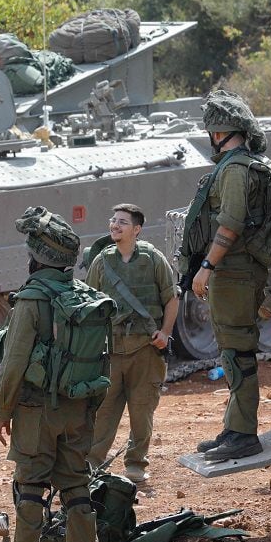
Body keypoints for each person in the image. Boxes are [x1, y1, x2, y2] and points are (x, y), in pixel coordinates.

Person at [0, 207, 101, 542]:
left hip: (37, 412)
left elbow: (14, 363)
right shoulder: (84, 296)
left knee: (30, 488)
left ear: (36, 257)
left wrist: (3, 412)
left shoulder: (32, 299)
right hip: (77, 407)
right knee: (76, 487)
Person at [184, 90, 271, 462]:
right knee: (231, 351)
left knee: (238, 353)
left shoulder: (236, 169)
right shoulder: (236, 165)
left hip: (235, 272)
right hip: (232, 272)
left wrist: (207, 266)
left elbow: (231, 222)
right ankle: (234, 427)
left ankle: (244, 434)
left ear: (218, 132)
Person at [84, 204, 179, 483]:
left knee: (141, 410)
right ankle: (92, 462)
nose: (115, 225)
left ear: (136, 229)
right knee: (103, 410)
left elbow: (171, 298)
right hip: (111, 350)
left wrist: (165, 333)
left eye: (122, 222)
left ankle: (136, 463)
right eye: (113, 220)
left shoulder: (153, 259)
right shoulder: (101, 261)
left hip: (146, 350)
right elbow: (90, 303)